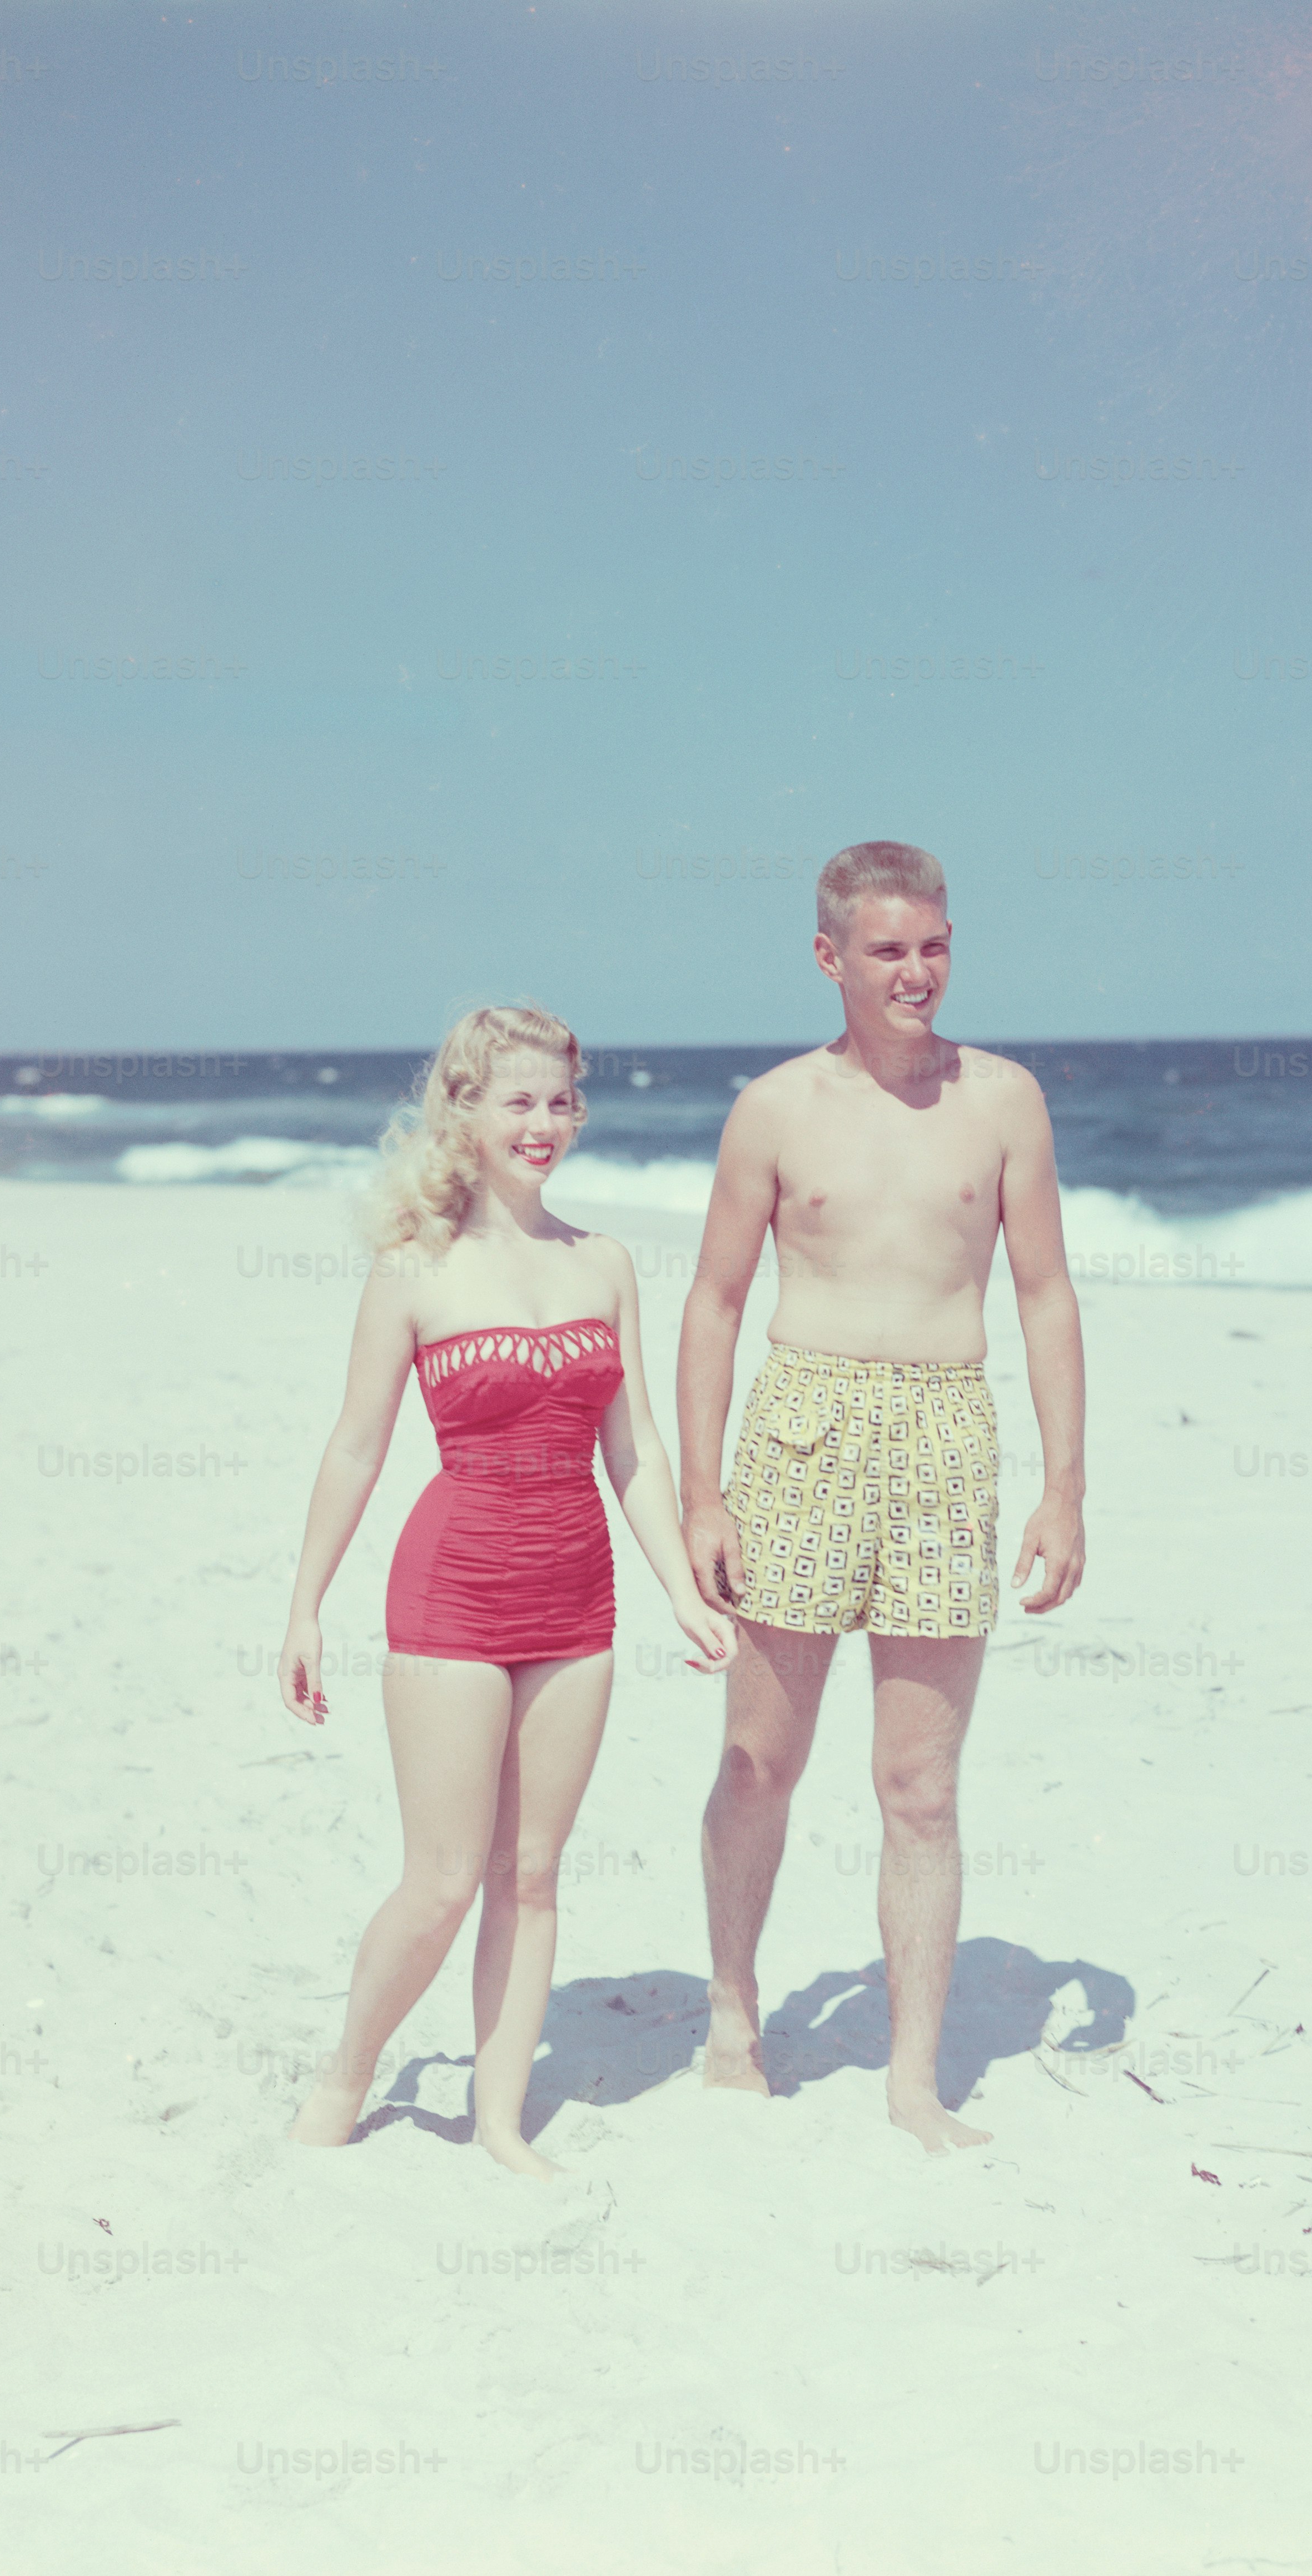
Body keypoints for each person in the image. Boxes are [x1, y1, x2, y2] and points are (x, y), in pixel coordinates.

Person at [677, 843, 1086, 2153]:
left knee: (919, 1783)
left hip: (944, 1439)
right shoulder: (775, 1109)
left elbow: (1042, 1295)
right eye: (886, 950)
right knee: (759, 1757)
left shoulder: (1006, 1100)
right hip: (801, 1428)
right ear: (828, 958)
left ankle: (913, 2078)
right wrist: (702, 1491)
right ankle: (732, 2013)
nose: (915, 973)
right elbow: (716, 1300)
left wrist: (1063, 1487)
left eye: (934, 946)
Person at [277, 1004, 732, 2171]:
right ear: (465, 1111)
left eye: (560, 1100)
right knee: (439, 1880)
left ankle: (495, 2121)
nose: (543, 1123)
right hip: (451, 1596)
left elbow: (632, 1454)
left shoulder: (606, 1263)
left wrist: (680, 1587)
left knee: (531, 1877)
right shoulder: (414, 1267)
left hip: (578, 1602)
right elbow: (356, 1445)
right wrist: (305, 1606)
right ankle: (343, 2081)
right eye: (517, 1100)